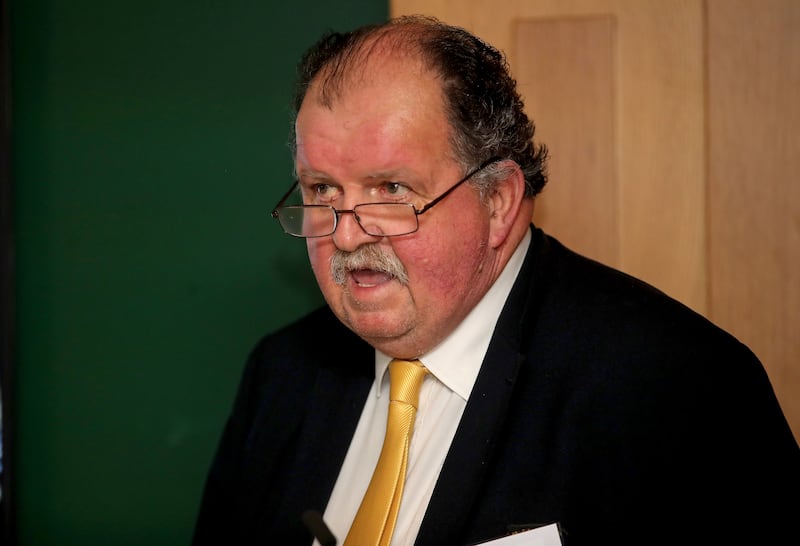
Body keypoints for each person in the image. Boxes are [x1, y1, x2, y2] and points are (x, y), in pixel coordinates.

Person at [192, 15, 800, 546]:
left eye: (392, 191)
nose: (347, 236)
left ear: (500, 201)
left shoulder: (677, 389)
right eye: (323, 190)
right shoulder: (282, 375)